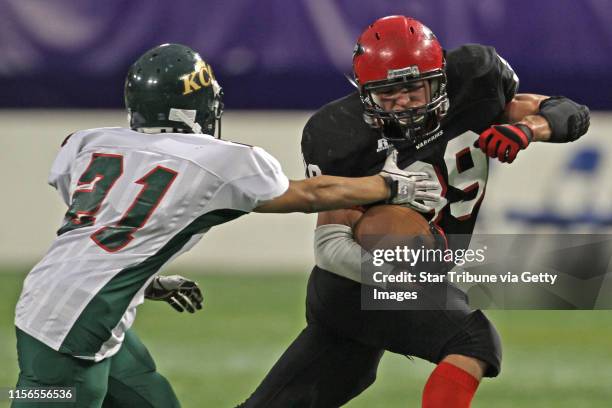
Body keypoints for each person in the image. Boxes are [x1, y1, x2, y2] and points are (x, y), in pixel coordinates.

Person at [12, 43, 435, 408]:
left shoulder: (88, 144)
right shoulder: (213, 159)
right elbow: (308, 195)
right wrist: (387, 186)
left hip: (72, 305)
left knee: (152, 398)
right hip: (72, 327)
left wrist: (145, 280)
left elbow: (102, 228)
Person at [240, 15, 590, 408]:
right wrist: (409, 276)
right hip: (354, 284)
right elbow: (331, 247)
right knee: (472, 340)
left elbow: (570, 113)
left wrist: (527, 129)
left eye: (412, 88)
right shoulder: (338, 133)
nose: (403, 102)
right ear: (364, 92)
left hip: (388, 281)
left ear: (439, 79)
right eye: (388, 94)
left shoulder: (474, 81)